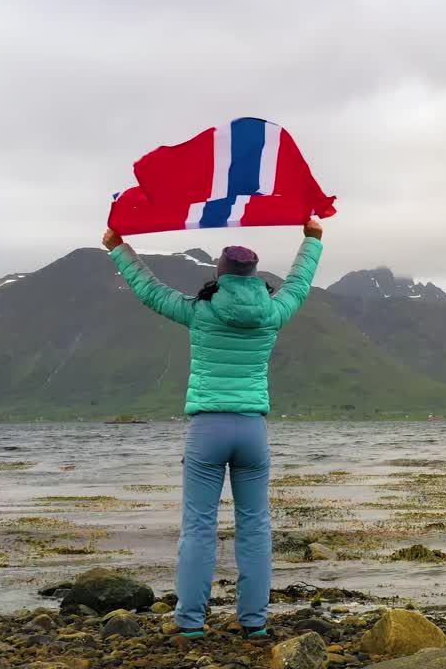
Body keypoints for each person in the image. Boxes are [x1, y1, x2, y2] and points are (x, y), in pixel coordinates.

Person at [101, 219, 324, 641]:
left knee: (199, 527)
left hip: (207, 430)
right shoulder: (274, 312)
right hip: (252, 431)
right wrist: (312, 239)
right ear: (254, 277)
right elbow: (300, 281)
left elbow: (150, 290)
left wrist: (118, 247)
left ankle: (190, 623)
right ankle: (254, 623)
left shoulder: (200, 311)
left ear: (219, 275)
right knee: (256, 526)